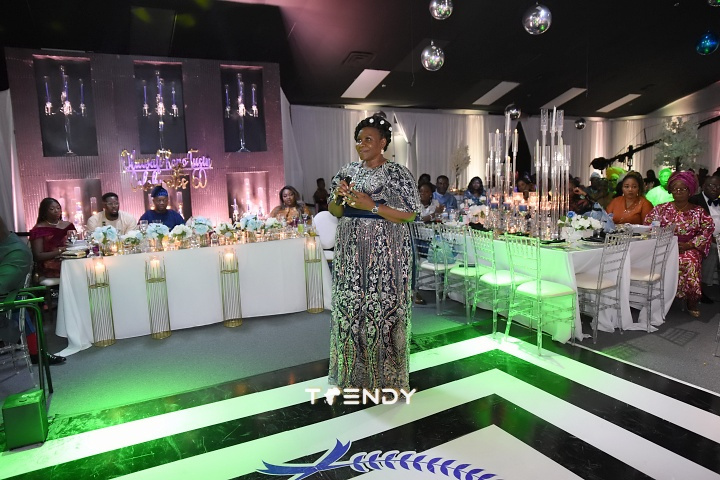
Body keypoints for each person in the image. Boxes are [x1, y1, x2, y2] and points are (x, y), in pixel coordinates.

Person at [328, 114, 420, 391]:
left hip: (386, 251)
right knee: (351, 308)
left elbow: (410, 214)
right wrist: (338, 197)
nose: (361, 144)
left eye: (368, 139)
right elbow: (335, 211)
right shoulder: (347, 171)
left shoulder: (398, 173)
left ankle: (386, 378)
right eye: (358, 140)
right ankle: (352, 375)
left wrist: (372, 206)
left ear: (383, 143)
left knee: (382, 310)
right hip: (350, 251)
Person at [644, 171, 715, 317]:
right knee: (655, 260)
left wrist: (690, 244)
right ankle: (657, 297)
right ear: (670, 190)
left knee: (690, 262)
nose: (678, 191)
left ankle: (691, 300)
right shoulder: (660, 209)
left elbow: (707, 230)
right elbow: (649, 226)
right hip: (665, 246)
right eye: (675, 188)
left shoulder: (698, 212)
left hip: (688, 247)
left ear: (690, 191)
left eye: (682, 189)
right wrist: (665, 242)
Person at [1, 215, 66, 365]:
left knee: (18, 299)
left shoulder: (15, 251)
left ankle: (34, 351)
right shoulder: (37, 231)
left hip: (10, 298)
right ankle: (34, 351)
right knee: (19, 300)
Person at [689, 174, 720, 304]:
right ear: (703, 187)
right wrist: (709, 237)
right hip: (703, 239)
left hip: (718, 238)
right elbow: (691, 226)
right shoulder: (694, 200)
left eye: (718, 186)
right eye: (712, 185)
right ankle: (702, 288)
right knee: (713, 249)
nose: (715, 189)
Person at [29, 197, 76, 282]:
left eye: (58, 208)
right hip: (49, 265)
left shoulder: (68, 226)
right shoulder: (38, 230)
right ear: (44, 212)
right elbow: (37, 256)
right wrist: (59, 251)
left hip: (69, 258)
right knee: (74, 269)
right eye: (52, 209)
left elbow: (75, 244)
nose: (56, 211)